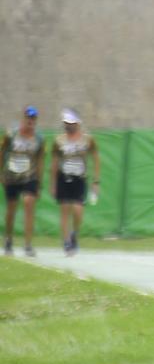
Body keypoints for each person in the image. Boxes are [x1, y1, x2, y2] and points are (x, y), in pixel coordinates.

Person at [51, 109, 100, 256]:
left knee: (78, 210)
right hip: (64, 178)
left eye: (71, 123)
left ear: (77, 123)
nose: (68, 126)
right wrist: (53, 183)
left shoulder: (87, 140)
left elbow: (96, 158)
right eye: (66, 123)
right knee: (65, 210)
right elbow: (54, 162)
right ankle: (66, 241)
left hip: (79, 179)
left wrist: (96, 181)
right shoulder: (59, 140)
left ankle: (74, 234)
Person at [3, 106, 45, 258]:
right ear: (24, 118)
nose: (31, 121)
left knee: (28, 203)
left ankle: (28, 244)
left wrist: (39, 182)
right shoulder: (12, 134)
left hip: (29, 176)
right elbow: (2, 151)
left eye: (34, 119)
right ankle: (8, 239)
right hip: (12, 176)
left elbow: (40, 159)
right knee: (12, 208)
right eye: (29, 118)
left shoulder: (39, 139)